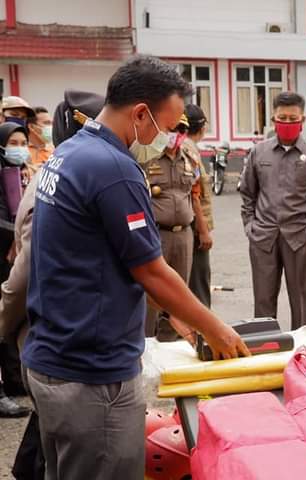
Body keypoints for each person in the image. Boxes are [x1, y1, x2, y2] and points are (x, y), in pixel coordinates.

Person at [22, 55, 249, 480]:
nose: (168, 138)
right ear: (141, 114)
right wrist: (213, 327)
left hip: (52, 357)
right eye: (167, 125)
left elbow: (101, 255)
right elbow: (151, 270)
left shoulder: (70, 152)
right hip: (92, 375)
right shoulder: (114, 169)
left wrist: (176, 315)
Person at [0, 90, 105, 480]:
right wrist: (6, 325)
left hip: (68, 334)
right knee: (58, 441)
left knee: (50, 438)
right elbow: (22, 273)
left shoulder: (77, 172)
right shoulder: (51, 181)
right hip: (51, 334)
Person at [240, 91, 306, 331]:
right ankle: (264, 348)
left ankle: (305, 350)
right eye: (282, 118)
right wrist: (250, 225)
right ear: (273, 119)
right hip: (263, 236)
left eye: (293, 119)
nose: (287, 123)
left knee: (304, 300)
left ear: (302, 120)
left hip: (301, 236)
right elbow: (248, 193)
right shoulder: (259, 152)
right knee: (263, 300)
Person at [141, 113, 201, 341]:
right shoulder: (148, 159)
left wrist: (202, 229)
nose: (176, 135)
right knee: (153, 293)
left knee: (179, 294)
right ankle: (146, 343)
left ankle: (168, 343)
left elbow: (195, 194)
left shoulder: (190, 159)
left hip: (184, 234)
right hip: (157, 233)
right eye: (172, 129)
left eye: (181, 130)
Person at [0, 122, 32, 418]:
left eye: (23, 141)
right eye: (13, 142)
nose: (20, 147)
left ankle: (12, 380)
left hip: (13, 255)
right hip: (4, 250)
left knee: (12, 319)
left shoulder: (26, 173)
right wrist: (15, 235)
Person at [185, 104, 214, 308]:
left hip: (189, 228)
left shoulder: (185, 146)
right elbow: (194, 194)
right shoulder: (188, 150)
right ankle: (201, 336)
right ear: (202, 127)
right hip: (194, 230)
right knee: (198, 284)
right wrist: (203, 230)